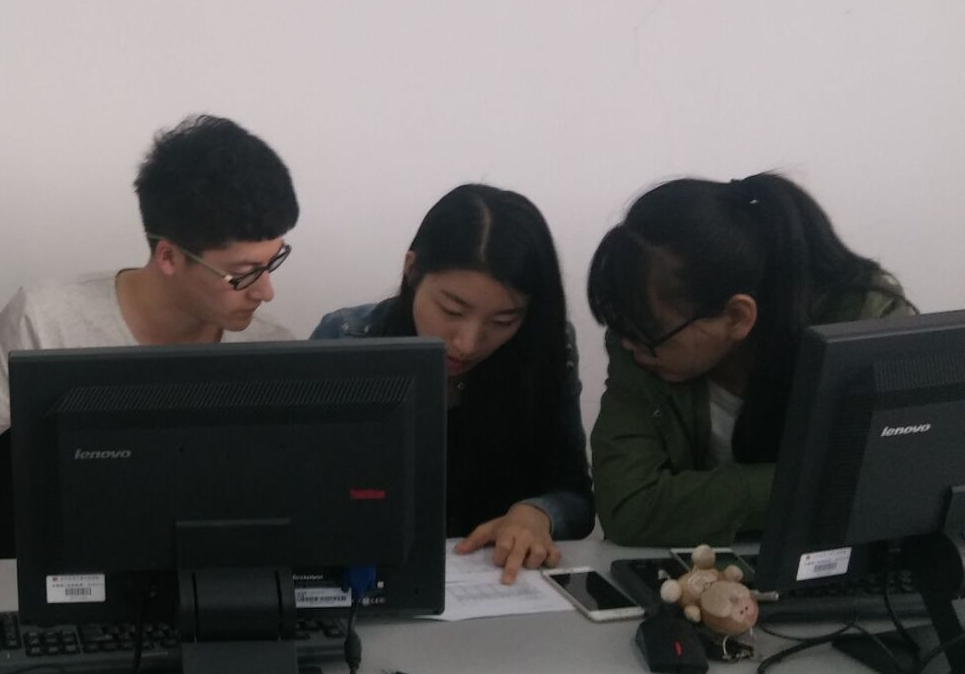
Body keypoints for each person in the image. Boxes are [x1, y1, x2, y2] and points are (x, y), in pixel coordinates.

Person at [0, 114, 300, 605]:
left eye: (274, 262)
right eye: (244, 273)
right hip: (66, 588)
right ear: (168, 257)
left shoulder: (271, 349)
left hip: (210, 593)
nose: (266, 291)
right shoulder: (46, 320)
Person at [587, 172, 912, 546]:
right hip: (699, 573)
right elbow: (629, 509)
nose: (629, 345)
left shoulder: (863, 331)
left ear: (737, 317)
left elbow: (890, 481)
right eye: (622, 326)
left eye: (647, 334)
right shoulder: (641, 337)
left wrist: (705, 501)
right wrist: (804, 486)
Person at [312, 184, 592, 583]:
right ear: (412, 270)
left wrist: (538, 514)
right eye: (451, 310)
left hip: (500, 584)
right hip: (371, 580)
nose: (468, 343)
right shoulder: (347, 341)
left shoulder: (545, 348)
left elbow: (575, 494)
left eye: (504, 320)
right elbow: (302, 490)